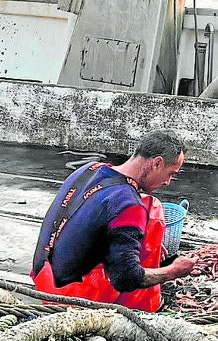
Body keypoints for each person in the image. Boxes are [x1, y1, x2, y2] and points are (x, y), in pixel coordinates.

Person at [31, 130, 195, 311]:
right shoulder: (128, 205)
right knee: (153, 209)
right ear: (157, 163)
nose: (168, 182)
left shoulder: (90, 169)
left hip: (43, 278)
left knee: (141, 209)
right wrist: (173, 271)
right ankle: (140, 309)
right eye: (170, 173)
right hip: (70, 298)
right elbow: (126, 278)